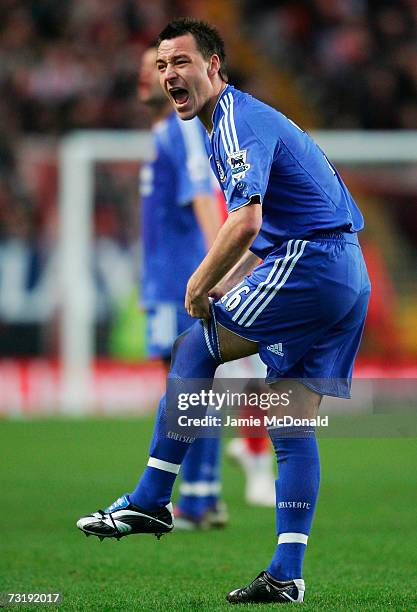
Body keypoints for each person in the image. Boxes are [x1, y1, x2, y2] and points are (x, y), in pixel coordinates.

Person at [77, 18, 371, 605]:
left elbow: (248, 220)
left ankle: (153, 497)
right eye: (162, 66)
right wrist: (233, 278)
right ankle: (287, 573)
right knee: (288, 421)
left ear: (214, 67)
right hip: (344, 275)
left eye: (181, 62)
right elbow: (264, 227)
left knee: (196, 344)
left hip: (311, 262)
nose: (168, 75)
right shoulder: (228, 123)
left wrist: (199, 283)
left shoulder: (233, 118)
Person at [138, 43, 225, 529]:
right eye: (155, 66)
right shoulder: (161, 135)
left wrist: (217, 268)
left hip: (181, 280)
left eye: (168, 65)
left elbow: (203, 198)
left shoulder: (181, 133)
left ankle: (198, 498)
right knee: (187, 386)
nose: (152, 74)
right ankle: (200, 496)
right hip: (162, 279)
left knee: (189, 386)